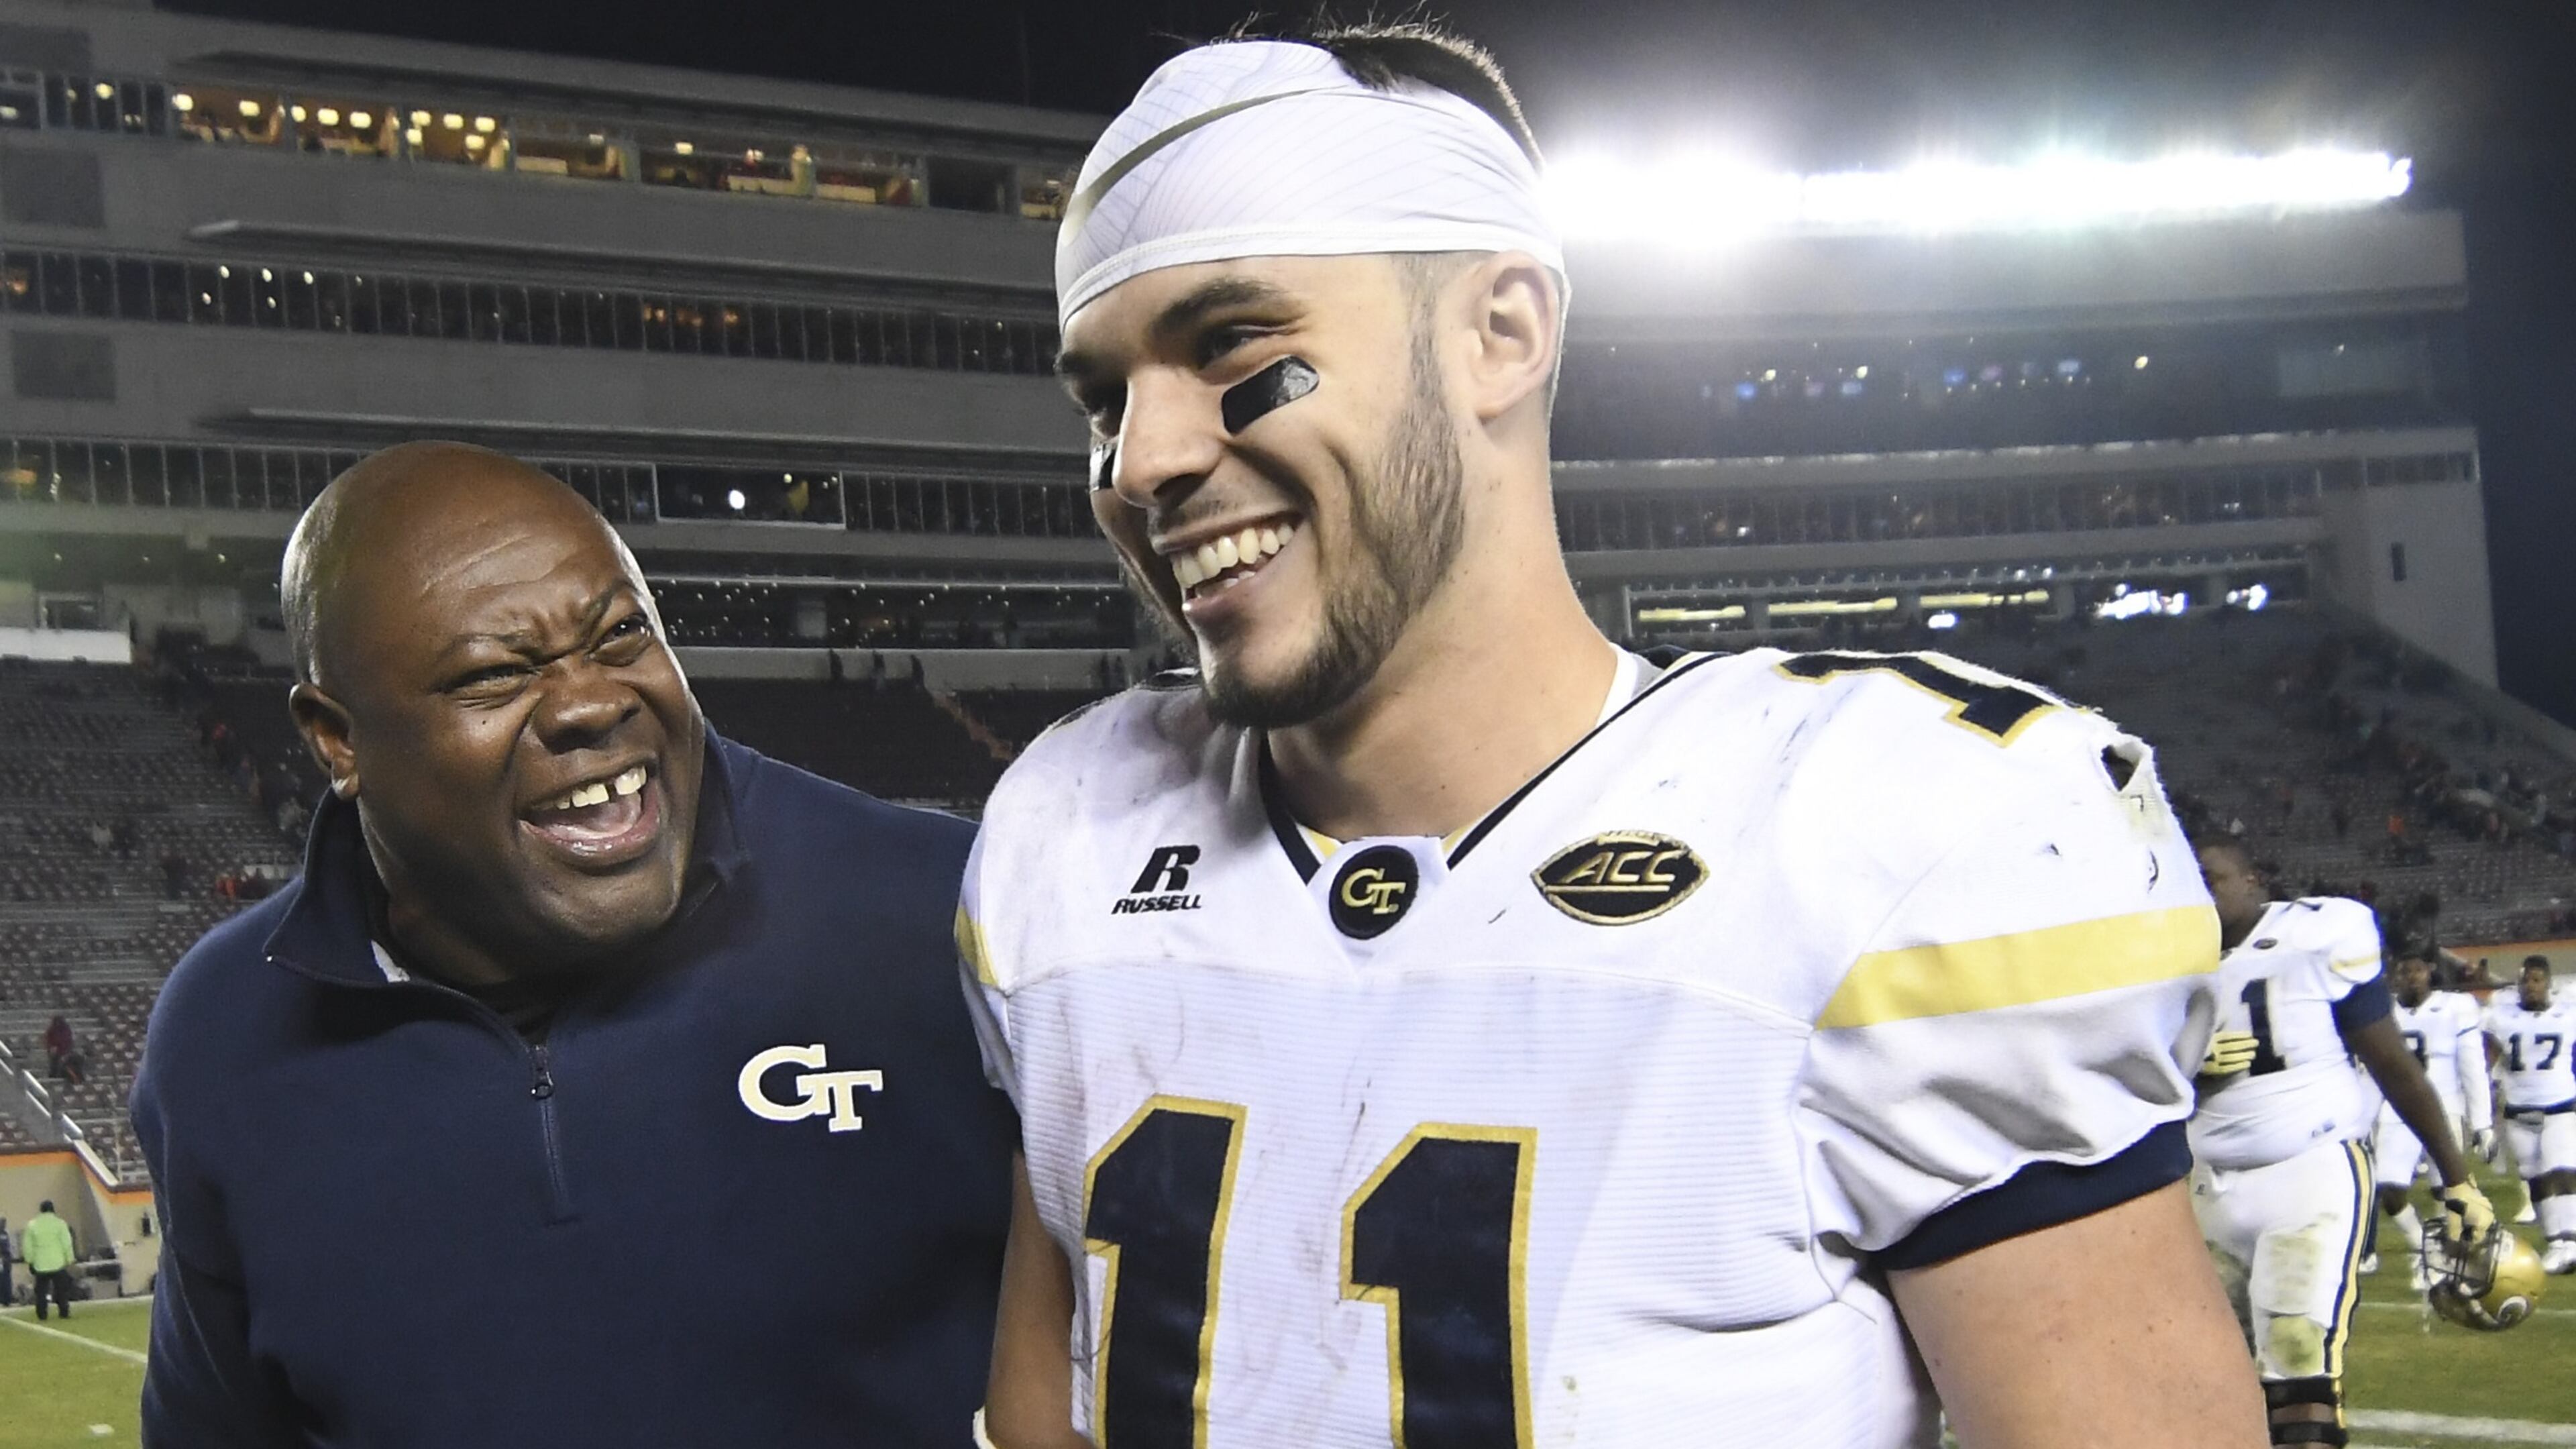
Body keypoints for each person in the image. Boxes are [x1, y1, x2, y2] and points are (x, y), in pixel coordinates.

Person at [965, 23, 2267, 1448]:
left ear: (1502, 334)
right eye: (1104, 399)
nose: (1143, 461)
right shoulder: (1070, 829)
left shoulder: (1883, 828)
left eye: (1232, 343)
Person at [130, 442, 1014, 1446]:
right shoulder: (228, 1032)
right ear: (338, 739)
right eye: (493, 674)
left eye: (622, 634)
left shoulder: (943, 915)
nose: (592, 702)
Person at [2188, 839, 2493, 1446]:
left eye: (2210, 877)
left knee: (2297, 1354)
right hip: (2203, 1187)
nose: (2198, 890)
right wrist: (2187, 1068)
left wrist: (2457, 1179)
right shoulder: (2161, 959)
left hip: (2307, 1173)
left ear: (2253, 880)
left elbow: (2393, 1063)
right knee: (2210, 1375)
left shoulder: (2318, 934)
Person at [2361, 953, 2495, 1283]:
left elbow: (2473, 1067)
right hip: (2397, 1111)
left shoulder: (2456, 1007)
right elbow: (2372, 1071)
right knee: (2389, 1190)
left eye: (2418, 970)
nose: (2412, 977)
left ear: (2430, 972)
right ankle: (2425, 1247)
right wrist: (2362, 1121)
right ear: (2395, 975)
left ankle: (2443, 1262)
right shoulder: (2384, 1010)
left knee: (2447, 1192)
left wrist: (2482, 1122)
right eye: (2405, 971)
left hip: (2445, 1108)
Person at [2485, 955, 2576, 1272]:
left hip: (2560, 1106)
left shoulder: (2568, 1014)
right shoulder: (2501, 1016)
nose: (2531, 986)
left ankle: (2571, 1240)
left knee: (2561, 1170)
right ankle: (2556, 1243)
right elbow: (2487, 1058)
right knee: (2534, 1178)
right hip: (2518, 1111)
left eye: (2537, 980)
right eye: (2526, 980)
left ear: (2548, 983)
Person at [21, 1199, 76, 1322]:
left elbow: (27, 1246)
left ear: (41, 1210)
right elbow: (67, 1243)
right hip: (58, 1262)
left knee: (41, 1292)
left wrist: (30, 1260)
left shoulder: (32, 1225)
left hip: (40, 1264)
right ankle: (64, 1312)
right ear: (53, 1210)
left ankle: (42, 1314)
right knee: (61, 1290)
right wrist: (69, 1259)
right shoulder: (60, 1224)